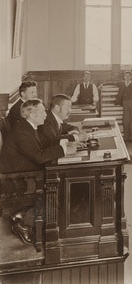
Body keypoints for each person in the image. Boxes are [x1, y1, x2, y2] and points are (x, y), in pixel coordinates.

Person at [0, 99, 77, 245]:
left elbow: (45, 144)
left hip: (24, 170)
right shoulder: (22, 130)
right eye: (42, 112)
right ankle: (25, 224)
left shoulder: (29, 126)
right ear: (32, 115)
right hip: (16, 179)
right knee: (56, 183)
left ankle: (24, 218)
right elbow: (39, 156)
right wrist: (64, 150)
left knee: (58, 177)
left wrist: (67, 143)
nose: (45, 115)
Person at [114, 71, 132, 143]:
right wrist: (102, 84)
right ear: (124, 77)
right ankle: (126, 137)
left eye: (129, 76)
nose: (127, 77)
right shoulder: (121, 84)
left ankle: (131, 138)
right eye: (126, 76)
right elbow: (113, 83)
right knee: (126, 120)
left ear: (131, 77)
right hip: (125, 103)